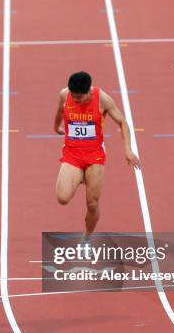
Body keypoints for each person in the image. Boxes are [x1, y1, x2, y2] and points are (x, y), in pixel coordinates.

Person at [54, 71, 140, 239]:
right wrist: (56, 127)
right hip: (72, 154)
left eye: (79, 97)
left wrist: (128, 149)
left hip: (94, 156)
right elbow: (59, 110)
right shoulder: (65, 95)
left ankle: (86, 238)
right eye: (73, 96)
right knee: (62, 198)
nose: (75, 99)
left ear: (88, 92)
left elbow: (122, 122)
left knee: (92, 204)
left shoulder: (102, 99)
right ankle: (79, 176)